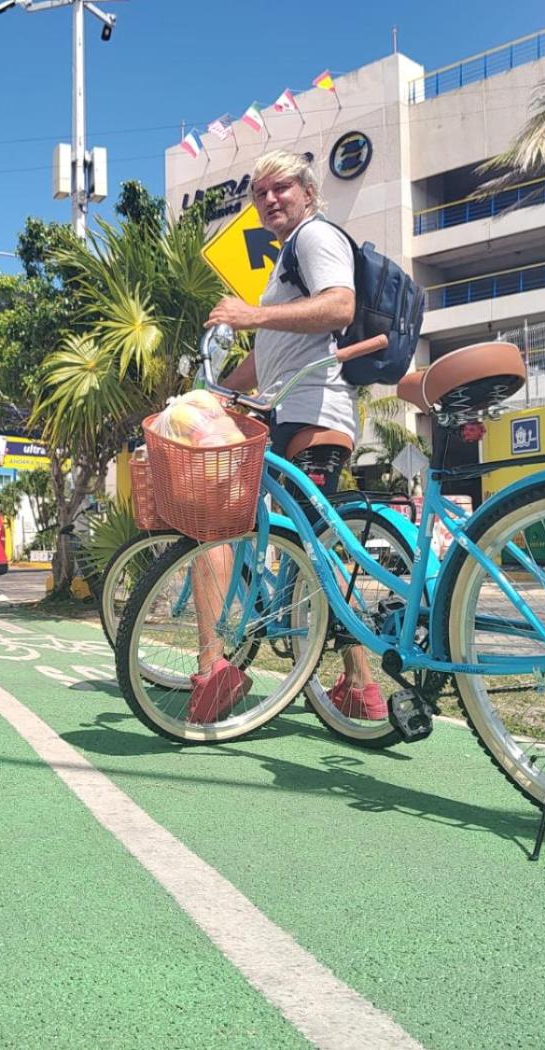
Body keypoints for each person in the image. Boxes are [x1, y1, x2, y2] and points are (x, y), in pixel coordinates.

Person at [198, 148, 388, 722]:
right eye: (259, 192)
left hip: (314, 414)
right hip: (291, 413)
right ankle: (359, 686)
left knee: (257, 535)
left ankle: (219, 671)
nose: (269, 199)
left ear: (308, 191)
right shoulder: (287, 259)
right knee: (313, 549)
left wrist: (251, 315)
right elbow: (269, 356)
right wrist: (217, 393)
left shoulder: (315, 237)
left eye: (280, 187)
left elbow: (339, 307)